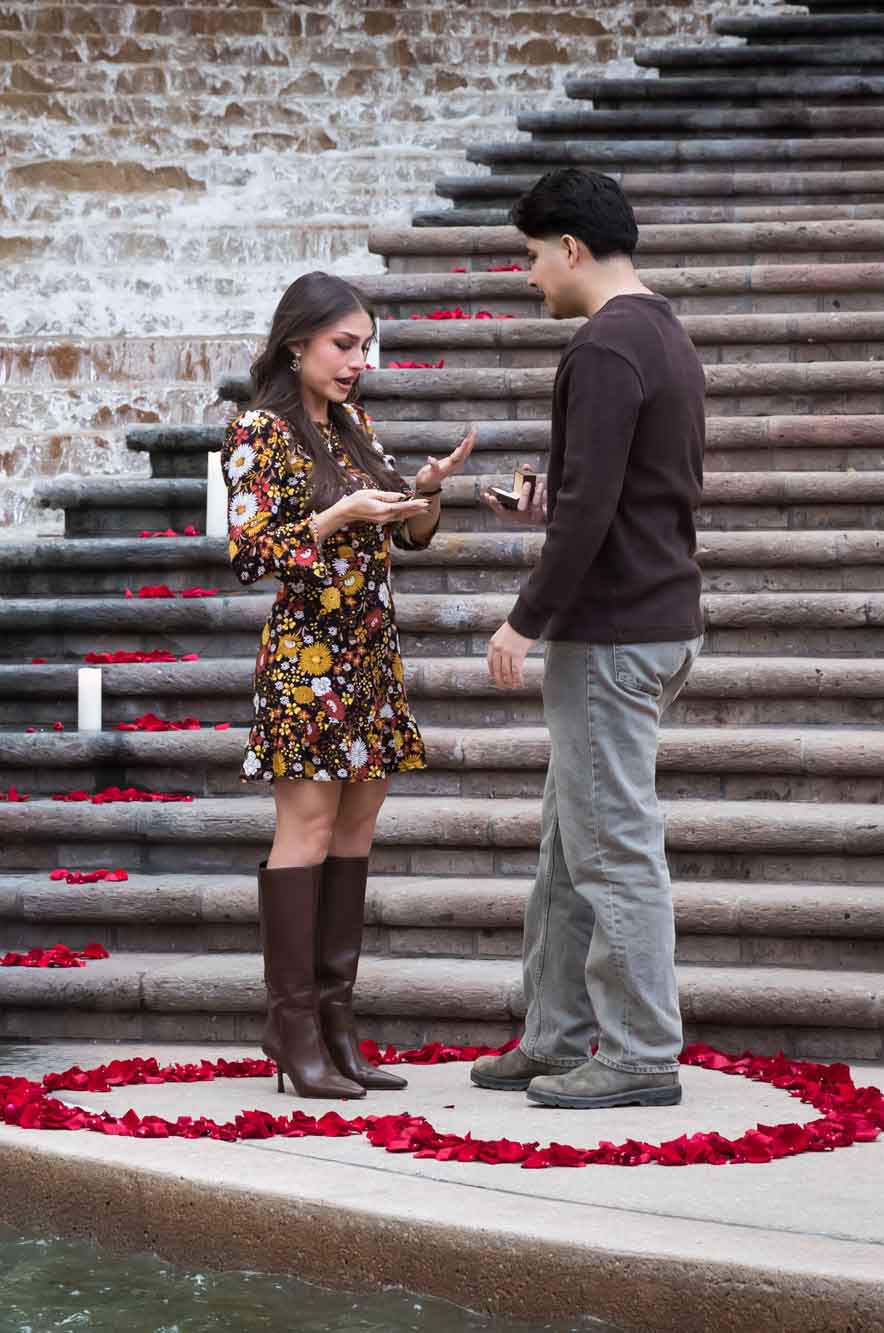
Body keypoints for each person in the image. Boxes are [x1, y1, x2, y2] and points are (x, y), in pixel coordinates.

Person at [469, 168, 707, 1109]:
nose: (530, 277)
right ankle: (556, 1032)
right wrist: (546, 494)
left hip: (610, 634)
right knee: (570, 845)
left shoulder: (605, 346)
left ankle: (643, 1053)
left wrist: (523, 618)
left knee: (611, 848)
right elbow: (632, 487)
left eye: (532, 257)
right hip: (655, 617)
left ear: (571, 248)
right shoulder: (664, 334)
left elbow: (596, 511)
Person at [222, 271, 476, 1099]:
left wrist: (426, 492)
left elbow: (412, 533)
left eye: (363, 346)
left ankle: (336, 1021)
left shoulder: (355, 425)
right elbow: (251, 552)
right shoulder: (259, 433)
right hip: (306, 661)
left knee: (358, 828)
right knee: (308, 826)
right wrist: (334, 518)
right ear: (297, 343)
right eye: (342, 345)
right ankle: (292, 1028)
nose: (356, 360)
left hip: (368, 655)